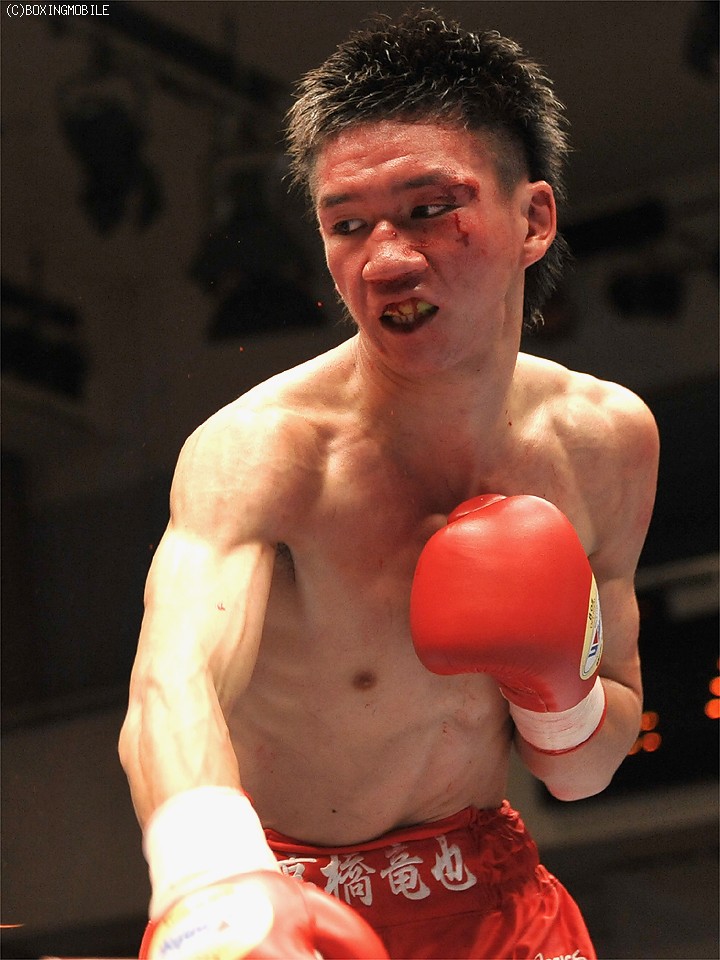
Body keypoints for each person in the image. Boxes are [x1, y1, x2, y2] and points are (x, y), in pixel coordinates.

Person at [119, 9, 659, 960]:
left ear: (533, 220)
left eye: (428, 209)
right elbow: (172, 683)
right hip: (283, 895)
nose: (387, 260)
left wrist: (558, 694)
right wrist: (209, 877)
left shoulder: (602, 441)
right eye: (346, 225)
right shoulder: (267, 451)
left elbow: (584, 772)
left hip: (494, 897)